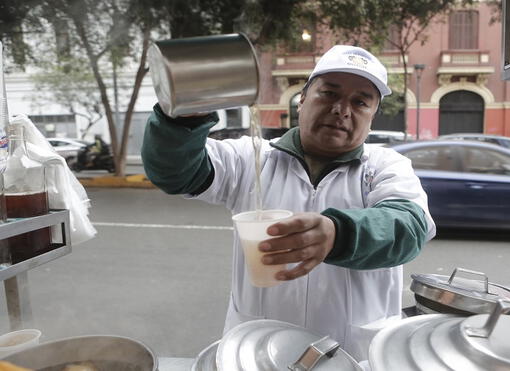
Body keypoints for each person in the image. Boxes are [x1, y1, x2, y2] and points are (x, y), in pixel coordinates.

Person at [141, 45, 435, 360]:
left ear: (372, 118)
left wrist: (340, 233)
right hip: (256, 355)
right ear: (303, 100)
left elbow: (409, 227)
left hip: (354, 355)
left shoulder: (385, 165)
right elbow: (175, 171)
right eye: (329, 94)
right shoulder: (251, 157)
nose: (341, 109)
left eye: (360, 102)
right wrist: (184, 117)